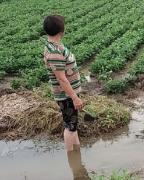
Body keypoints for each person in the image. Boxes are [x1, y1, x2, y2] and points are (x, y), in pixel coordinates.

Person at [43, 15, 84, 151]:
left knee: (73, 125)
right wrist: (74, 97)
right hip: (66, 96)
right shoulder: (54, 52)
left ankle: (77, 153)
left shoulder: (55, 46)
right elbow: (61, 79)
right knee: (70, 127)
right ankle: (73, 161)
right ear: (61, 30)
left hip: (68, 94)